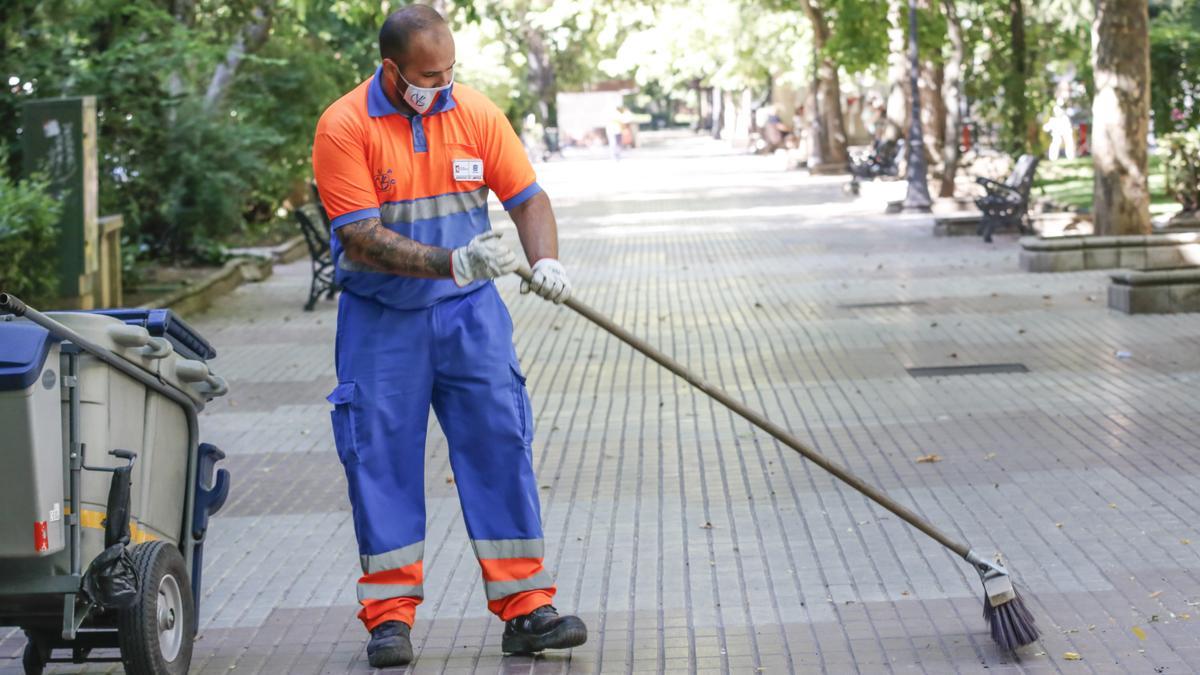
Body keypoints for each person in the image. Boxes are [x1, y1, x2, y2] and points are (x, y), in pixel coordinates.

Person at [310, 6, 586, 668]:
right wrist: (453, 261)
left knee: (500, 443)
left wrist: (545, 259)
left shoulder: (475, 113)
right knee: (380, 459)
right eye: (429, 75)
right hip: (382, 321)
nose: (443, 84)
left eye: (450, 70)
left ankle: (526, 608)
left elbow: (527, 196)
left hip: (469, 317)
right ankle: (389, 618)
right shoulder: (345, 126)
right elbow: (361, 238)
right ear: (391, 69)